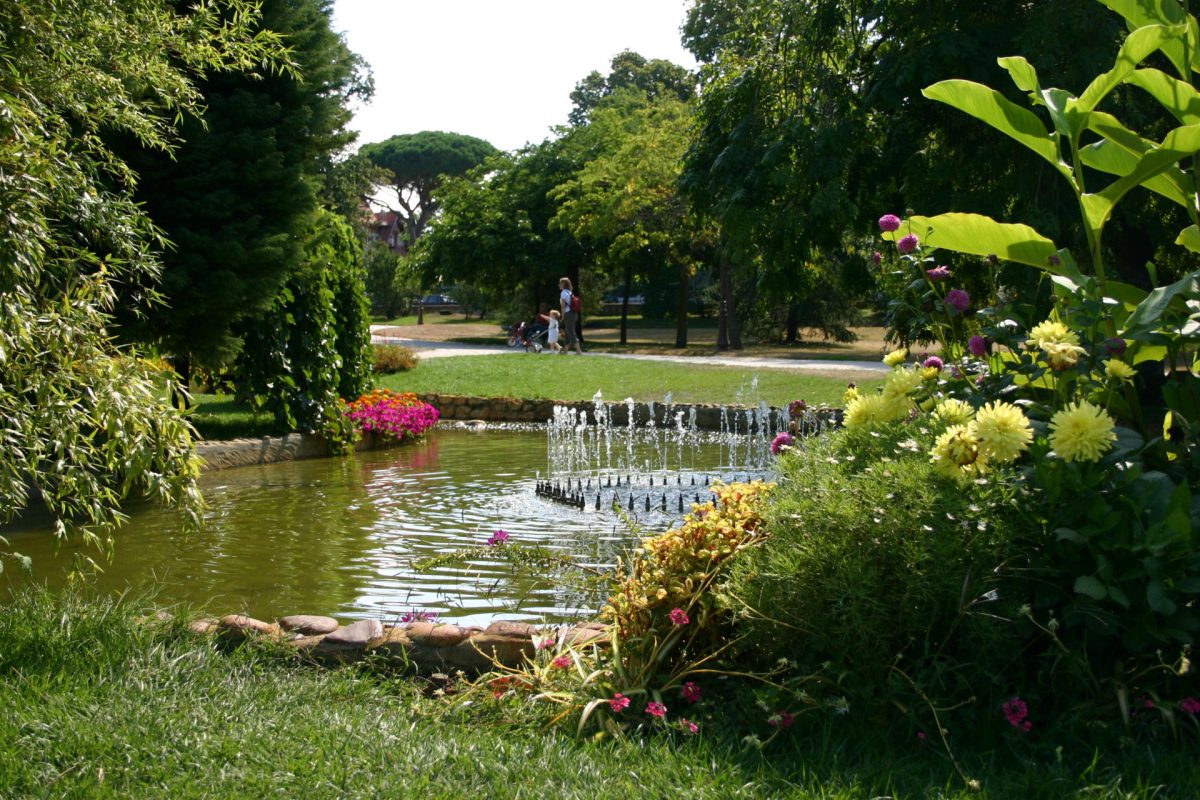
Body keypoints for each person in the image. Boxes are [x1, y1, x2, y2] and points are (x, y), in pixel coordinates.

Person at [558, 277, 583, 354]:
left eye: (560, 283)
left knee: (570, 332)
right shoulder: (569, 292)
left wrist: (562, 316)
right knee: (567, 332)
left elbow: (563, 306)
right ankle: (565, 351)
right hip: (574, 314)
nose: (559, 285)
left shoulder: (563, 293)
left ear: (563, 284)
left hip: (569, 314)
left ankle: (579, 351)